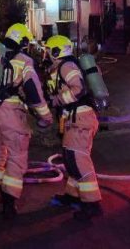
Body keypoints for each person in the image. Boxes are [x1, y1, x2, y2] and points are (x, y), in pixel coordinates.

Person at [0, 23, 53, 217]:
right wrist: (45, 116)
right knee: (16, 158)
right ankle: (9, 203)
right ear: (21, 40)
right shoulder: (24, 60)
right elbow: (33, 92)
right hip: (11, 112)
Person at [46, 34, 103, 222]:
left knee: (79, 162)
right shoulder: (62, 67)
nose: (46, 54)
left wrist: (57, 100)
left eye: (48, 50)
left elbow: (78, 89)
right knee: (71, 161)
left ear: (56, 52)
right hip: (74, 119)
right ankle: (72, 196)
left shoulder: (67, 66)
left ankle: (92, 204)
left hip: (81, 119)